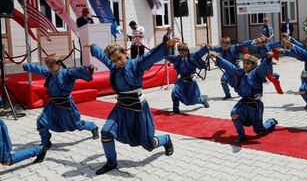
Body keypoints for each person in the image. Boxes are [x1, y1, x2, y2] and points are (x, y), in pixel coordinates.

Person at [86, 38, 179, 175]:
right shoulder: (114, 67)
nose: (117, 62)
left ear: (125, 53)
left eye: (119, 58)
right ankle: (111, 162)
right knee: (106, 132)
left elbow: (150, 56)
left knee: (148, 144)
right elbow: (102, 56)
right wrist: (93, 46)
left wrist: (165, 46)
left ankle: (165, 139)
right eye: (114, 60)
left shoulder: (137, 65)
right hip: (121, 109)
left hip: (138, 109)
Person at [23, 56, 99, 150]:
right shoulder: (49, 73)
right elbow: (40, 69)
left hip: (66, 105)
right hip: (53, 104)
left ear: (58, 64)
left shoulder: (67, 74)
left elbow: (77, 70)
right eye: (48, 66)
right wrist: (27, 66)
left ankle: (93, 127)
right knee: (41, 121)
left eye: (51, 66)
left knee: (77, 124)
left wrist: (88, 68)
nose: (49, 68)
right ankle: (45, 142)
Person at [209, 52, 277, 144]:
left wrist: (268, 58)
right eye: (244, 63)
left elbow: (262, 68)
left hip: (255, 104)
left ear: (253, 65)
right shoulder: (240, 72)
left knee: (258, 130)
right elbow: (230, 67)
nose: (245, 65)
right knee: (234, 113)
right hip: (244, 101)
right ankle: (241, 135)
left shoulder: (256, 74)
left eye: (247, 63)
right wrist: (217, 57)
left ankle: (271, 122)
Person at [167, 43, 210, 114]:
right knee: (174, 93)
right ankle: (176, 110)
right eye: (180, 52)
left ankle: (202, 100)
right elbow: (171, 58)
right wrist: (163, 54)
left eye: (183, 52)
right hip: (180, 81)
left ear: (187, 51)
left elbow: (199, 54)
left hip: (190, 82)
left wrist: (205, 48)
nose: (181, 54)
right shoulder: (178, 58)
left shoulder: (192, 57)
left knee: (191, 101)